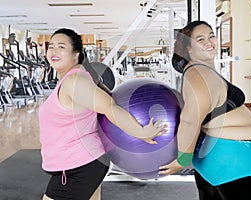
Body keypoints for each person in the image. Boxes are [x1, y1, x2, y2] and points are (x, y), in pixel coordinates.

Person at [39, 28, 166, 200]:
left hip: (77, 167)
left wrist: (140, 133)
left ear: (76, 54)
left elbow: (108, 105)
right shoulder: (72, 78)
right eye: (51, 46)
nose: (53, 51)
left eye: (61, 47)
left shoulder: (74, 81)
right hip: (83, 163)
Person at [159, 21, 251, 199]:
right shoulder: (199, 75)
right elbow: (190, 119)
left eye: (211, 35)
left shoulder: (199, 71)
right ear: (188, 49)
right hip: (234, 165)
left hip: (223, 162)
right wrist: (183, 159)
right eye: (200, 39)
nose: (209, 42)